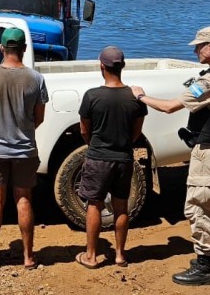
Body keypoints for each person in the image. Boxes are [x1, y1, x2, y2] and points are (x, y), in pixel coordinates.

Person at [130, 25, 210, 286]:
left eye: (199, 46)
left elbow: (170, 107)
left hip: (208, 153)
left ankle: (206, 266)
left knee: (199, 206)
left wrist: (141, 96)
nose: (195, 51)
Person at [0, 27, 48, 270]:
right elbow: (39, 117)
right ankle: (28, 257)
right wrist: (23, 130)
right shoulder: (36, 79)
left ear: (1, 48)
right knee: (23, 199)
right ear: (24, 48)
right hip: (25, 149)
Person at [75, 46, 147, 269]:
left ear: (102, 66)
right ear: (122, 66)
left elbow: (84, 130)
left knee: (94, 204)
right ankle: (120, 255)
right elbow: (136, 132)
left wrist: (94, 145)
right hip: (124, 158)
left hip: (98, 157)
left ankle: (91, 255)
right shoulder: (135, 98)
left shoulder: (92, 96)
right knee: (121, 206)